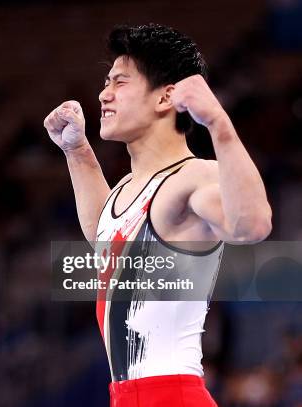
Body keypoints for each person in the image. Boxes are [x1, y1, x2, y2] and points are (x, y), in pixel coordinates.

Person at [43, 24, 272, 406]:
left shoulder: (193, 177)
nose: (104, 93)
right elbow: (105, 236)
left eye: (119, 82)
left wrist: (218, 123)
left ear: (165, 98)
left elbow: (253, 225)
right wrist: (77, 151)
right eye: (106, 82)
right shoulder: (129, 189)